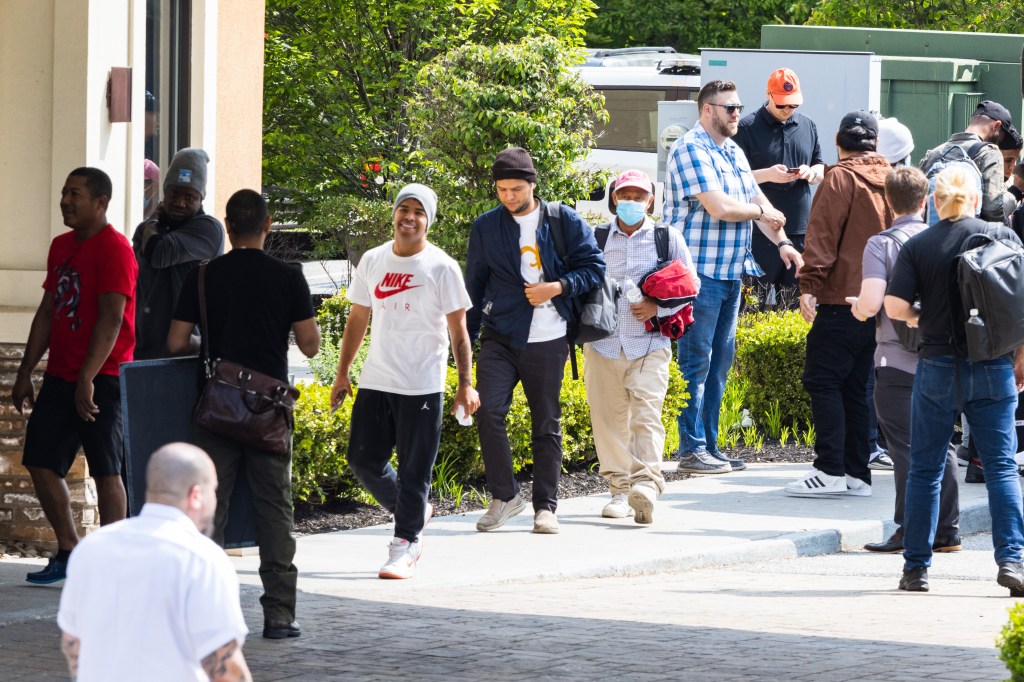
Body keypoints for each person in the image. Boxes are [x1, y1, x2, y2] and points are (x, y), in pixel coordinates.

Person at [167, 189, 320, 638]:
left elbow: (177, 342)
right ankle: (279, 615)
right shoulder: (289, 277)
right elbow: (310, 345)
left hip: (217, 409)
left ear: (228, 227)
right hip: (269, 411)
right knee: (276, 511)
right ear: (268, 225)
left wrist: (207, 348)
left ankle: (209, 612)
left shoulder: (204, 276)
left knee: (209, 510)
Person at [884, 165, 1024, 594]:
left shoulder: (920, 245)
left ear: (932, 201)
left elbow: (893, 306)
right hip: (992, 365)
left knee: (925, 468)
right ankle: (1013, 562)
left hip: (937, 364)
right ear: (978, 199)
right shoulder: (1003, 238)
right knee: (1001, 468)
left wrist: (921, 316)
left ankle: (916, 569)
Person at [331, 184, 479, 577]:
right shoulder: (374, 260)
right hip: (377, 379)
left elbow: (459, 332)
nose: (409, 217)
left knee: (416, 471)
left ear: (428, 221)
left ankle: (405, 545)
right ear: (394, 214)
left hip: (422, 384)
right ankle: (414, 509)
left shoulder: (441, 266)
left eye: (418, 211)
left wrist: (466, 383)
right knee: (362, 460)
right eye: (403, 209)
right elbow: (358, 320)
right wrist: (343, 372)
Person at [663, 80, 801, 474]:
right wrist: (762, 215)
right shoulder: (691, 149)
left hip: (729, 273)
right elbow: (720, 207)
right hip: (697, 274)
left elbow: (758, 200)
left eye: (739, 107)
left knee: (720, 363)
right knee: (696, 362)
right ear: (707, 110)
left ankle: (709, 446)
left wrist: (784, 243)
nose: (737, 113)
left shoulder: (732, 151)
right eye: (729, 108)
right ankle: (691, 449)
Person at [465, 147, 605, 534]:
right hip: (500, 335)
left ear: (532, 184)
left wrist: (557, 287)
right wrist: (463, 343)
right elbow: (473, 287)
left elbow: (594, 268)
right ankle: (505, 496)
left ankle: (546, 506)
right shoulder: (486, 227)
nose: (508, 196)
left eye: (515, 189)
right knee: (488, 411)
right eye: (501, 189)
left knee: (547, 422)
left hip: (549, 336)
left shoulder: (563, 219)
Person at [12, 167, 137, 585]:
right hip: (61, 376)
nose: (66, 200)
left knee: (106, 470)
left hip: (104, 378)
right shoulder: (61, 247)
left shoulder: (116, 249)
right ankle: (70, 550)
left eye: (75, 194)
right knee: (40, 462)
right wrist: (27, 368)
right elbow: (48, 311)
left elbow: (112, 318)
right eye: (64, 192)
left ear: (100, 202)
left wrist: (88, 376)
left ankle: (116, 561)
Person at [57, 443, 251, 682]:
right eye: (214, 492)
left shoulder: (90, 549)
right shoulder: (202, 558)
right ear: (197, 495)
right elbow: (225, 666)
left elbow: (72, 641)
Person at [847, 166, 960, 553]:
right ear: (925, 200)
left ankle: (909, 529)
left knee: (905, 449)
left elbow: (873, 302)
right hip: (943, 358)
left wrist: (858, 309)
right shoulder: (942, 241)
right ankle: (947, 531)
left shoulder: (882, 244)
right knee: (941, 445)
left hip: (896, 360)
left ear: (886, 201)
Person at [786, 111, 893, 498]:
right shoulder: (895, 178)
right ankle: (855, 473)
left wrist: (809, 284)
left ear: (837, 140)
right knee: (854, 386)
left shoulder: (840, 177)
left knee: (823, 379)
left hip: (840, 298)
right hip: (879, 304)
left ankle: (829, 468)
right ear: (876, 143)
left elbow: (822, 234)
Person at [585, 169, 699, 525]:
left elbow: (690, 286)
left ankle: (646, 485)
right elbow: (580, 278)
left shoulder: (667, 237)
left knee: (646, 416)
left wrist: (657, 307)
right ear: (614, 199)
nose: (631, 202)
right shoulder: (597, 236)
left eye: (639, 196)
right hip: (602, 342)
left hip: (649, 342)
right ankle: (619, 491)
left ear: (651, 200)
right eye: (625, 195)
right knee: (608, 420)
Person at [733, 68, 824, 308]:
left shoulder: (808, 125)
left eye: (793, 105)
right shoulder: (746, 128)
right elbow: (733, 177)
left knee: (794, 302)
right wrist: (768, 175)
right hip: (760, 229)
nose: (787, 110)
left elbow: (820, 166)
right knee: (752, 303)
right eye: (783, 105)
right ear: (768, 95)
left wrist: (811, 173)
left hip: (798, 227)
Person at [134, 147, 224, 359]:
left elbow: (159, 254)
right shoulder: (147, 229)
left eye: (189, 196)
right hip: (142, 348)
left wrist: (154, 218)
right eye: (173, 193)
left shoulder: (208, 229)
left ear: (201, 198)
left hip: (186, 352)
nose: (179, 202)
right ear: (164, 192)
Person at [919, 100, 1013, 223]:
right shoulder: (990, 153)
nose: (1000, 141)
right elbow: (992, 209)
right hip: (970, 236)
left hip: (933, 234)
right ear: (997, 126)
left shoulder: (935, 153)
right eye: (1002, 136)